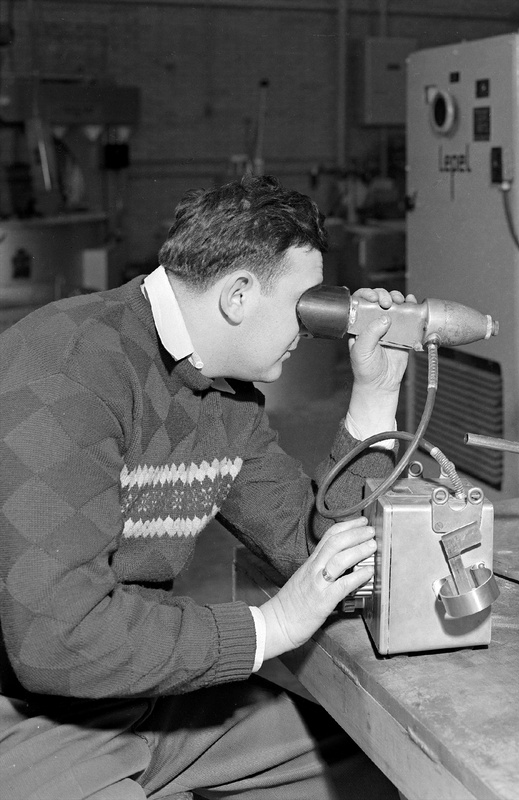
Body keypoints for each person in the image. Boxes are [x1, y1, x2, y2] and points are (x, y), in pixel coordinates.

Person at [0, 174, 410, 799]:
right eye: (304, 305)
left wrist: (375, 394)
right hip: (27, 712)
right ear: (238, 295)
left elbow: (317, 552)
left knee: (372, 760)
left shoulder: (222, 395)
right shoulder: (64, 368)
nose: (310, 329)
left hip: (139, 689)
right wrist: (269, 627)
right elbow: (56, 639)